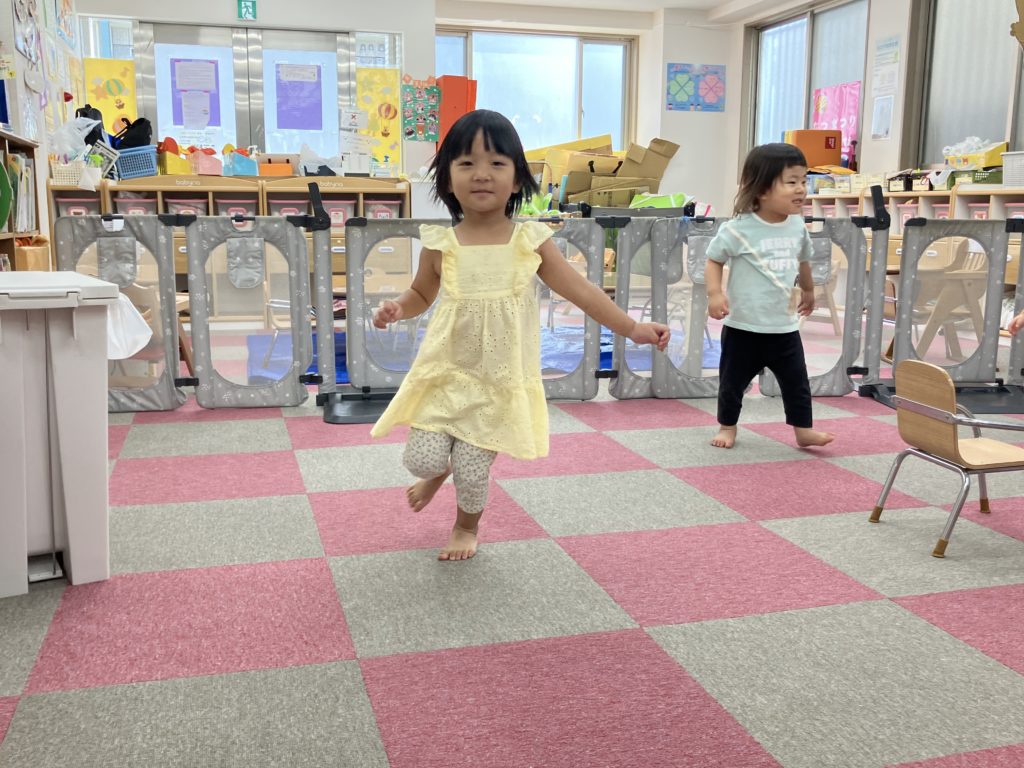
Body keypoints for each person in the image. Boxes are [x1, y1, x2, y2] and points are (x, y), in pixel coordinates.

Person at [370, 109, 670, 561]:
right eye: (467, 163)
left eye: (496, 163)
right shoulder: (439, 243)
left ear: (516, 180)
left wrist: (632, 328)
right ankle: (438, 473)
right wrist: (398, 308)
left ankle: (465, 527)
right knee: (422, 459)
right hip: (445, 371)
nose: (481, 174)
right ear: (448, 179)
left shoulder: (529, 240)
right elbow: (420, 294)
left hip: (498, 379)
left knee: (472, 471)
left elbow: (582, 291)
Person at [704, 142, 835, 450]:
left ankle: (803, 430)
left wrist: (809, 290)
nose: (801, 189)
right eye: (791, 182)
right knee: (732, 383)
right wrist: (714, 293)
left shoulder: (796, 226)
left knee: (797, 383)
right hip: (743, 327)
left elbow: (803, 260)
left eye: (803, 180)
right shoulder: (739, 228)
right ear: (762, 189)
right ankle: (727, 427)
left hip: (783, 327)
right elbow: (714, 259)